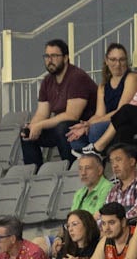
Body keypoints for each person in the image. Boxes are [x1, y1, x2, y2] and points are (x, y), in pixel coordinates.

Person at [19, 39, 96, 167]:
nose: (50, 60)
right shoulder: (47, 81)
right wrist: (32, 126)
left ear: (65, 58)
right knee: (26, 133)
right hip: (63, 127)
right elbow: (42, 113)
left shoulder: (77, 77)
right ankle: (35, 175)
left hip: (84, 128)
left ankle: (71, 169)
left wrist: (40, 125)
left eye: (54, 56)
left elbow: (72, 116)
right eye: (47, 56)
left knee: (63, 128)